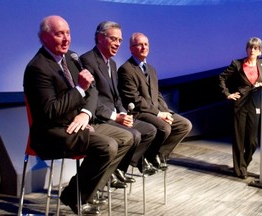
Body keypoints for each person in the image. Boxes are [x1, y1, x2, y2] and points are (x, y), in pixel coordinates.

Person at [23, 15, 133, 215]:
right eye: (59, 34)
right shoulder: (37, 68)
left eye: (68, 33)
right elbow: (50, 111)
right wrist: (79, 90)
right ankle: (76, 195)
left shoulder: (71, 58)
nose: (66, 39)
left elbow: (92, 91)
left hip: (78, 124)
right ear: (44, 37)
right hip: (53, 132)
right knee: (107, 146)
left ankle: (86, 192)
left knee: (126, 137)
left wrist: (85, 113)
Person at [80, 21, 157, 181]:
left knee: (149, 130)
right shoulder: (87, 60)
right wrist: (115, 117)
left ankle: (118, 168)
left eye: (120, 40)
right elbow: (91, 98)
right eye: (113, 39)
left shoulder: (112, 64)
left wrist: (123, 113)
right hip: (100, 118)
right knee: (134, 134)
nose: (117, 44)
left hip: (115, 115)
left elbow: (116, 97)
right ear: (100, 38)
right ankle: (109, 174)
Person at [117, 32, 192, 171]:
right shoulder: (125, 70)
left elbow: (157, 95)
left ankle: (157, 154)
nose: (144, 47)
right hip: (139, 113)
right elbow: (135, 99)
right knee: (164, 128)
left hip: (156, 111)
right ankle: (142, 158)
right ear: (131, 48)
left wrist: (166, 112)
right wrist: (158, 114)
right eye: (140, 44)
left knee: (184, 125)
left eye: (146, 44)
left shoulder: (151, 69)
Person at [219, 37, 262, 179]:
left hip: (255, 104)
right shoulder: (237, 64)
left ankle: (243, 163)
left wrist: (261, 84)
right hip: (239, 104)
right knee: (239, 138)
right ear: (247, 49)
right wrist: (227, 94)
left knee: (252, 142)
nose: (252, 50)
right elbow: (221, 77)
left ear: (260, 51)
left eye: (256, 48)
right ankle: (240, 170)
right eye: (250, 47)